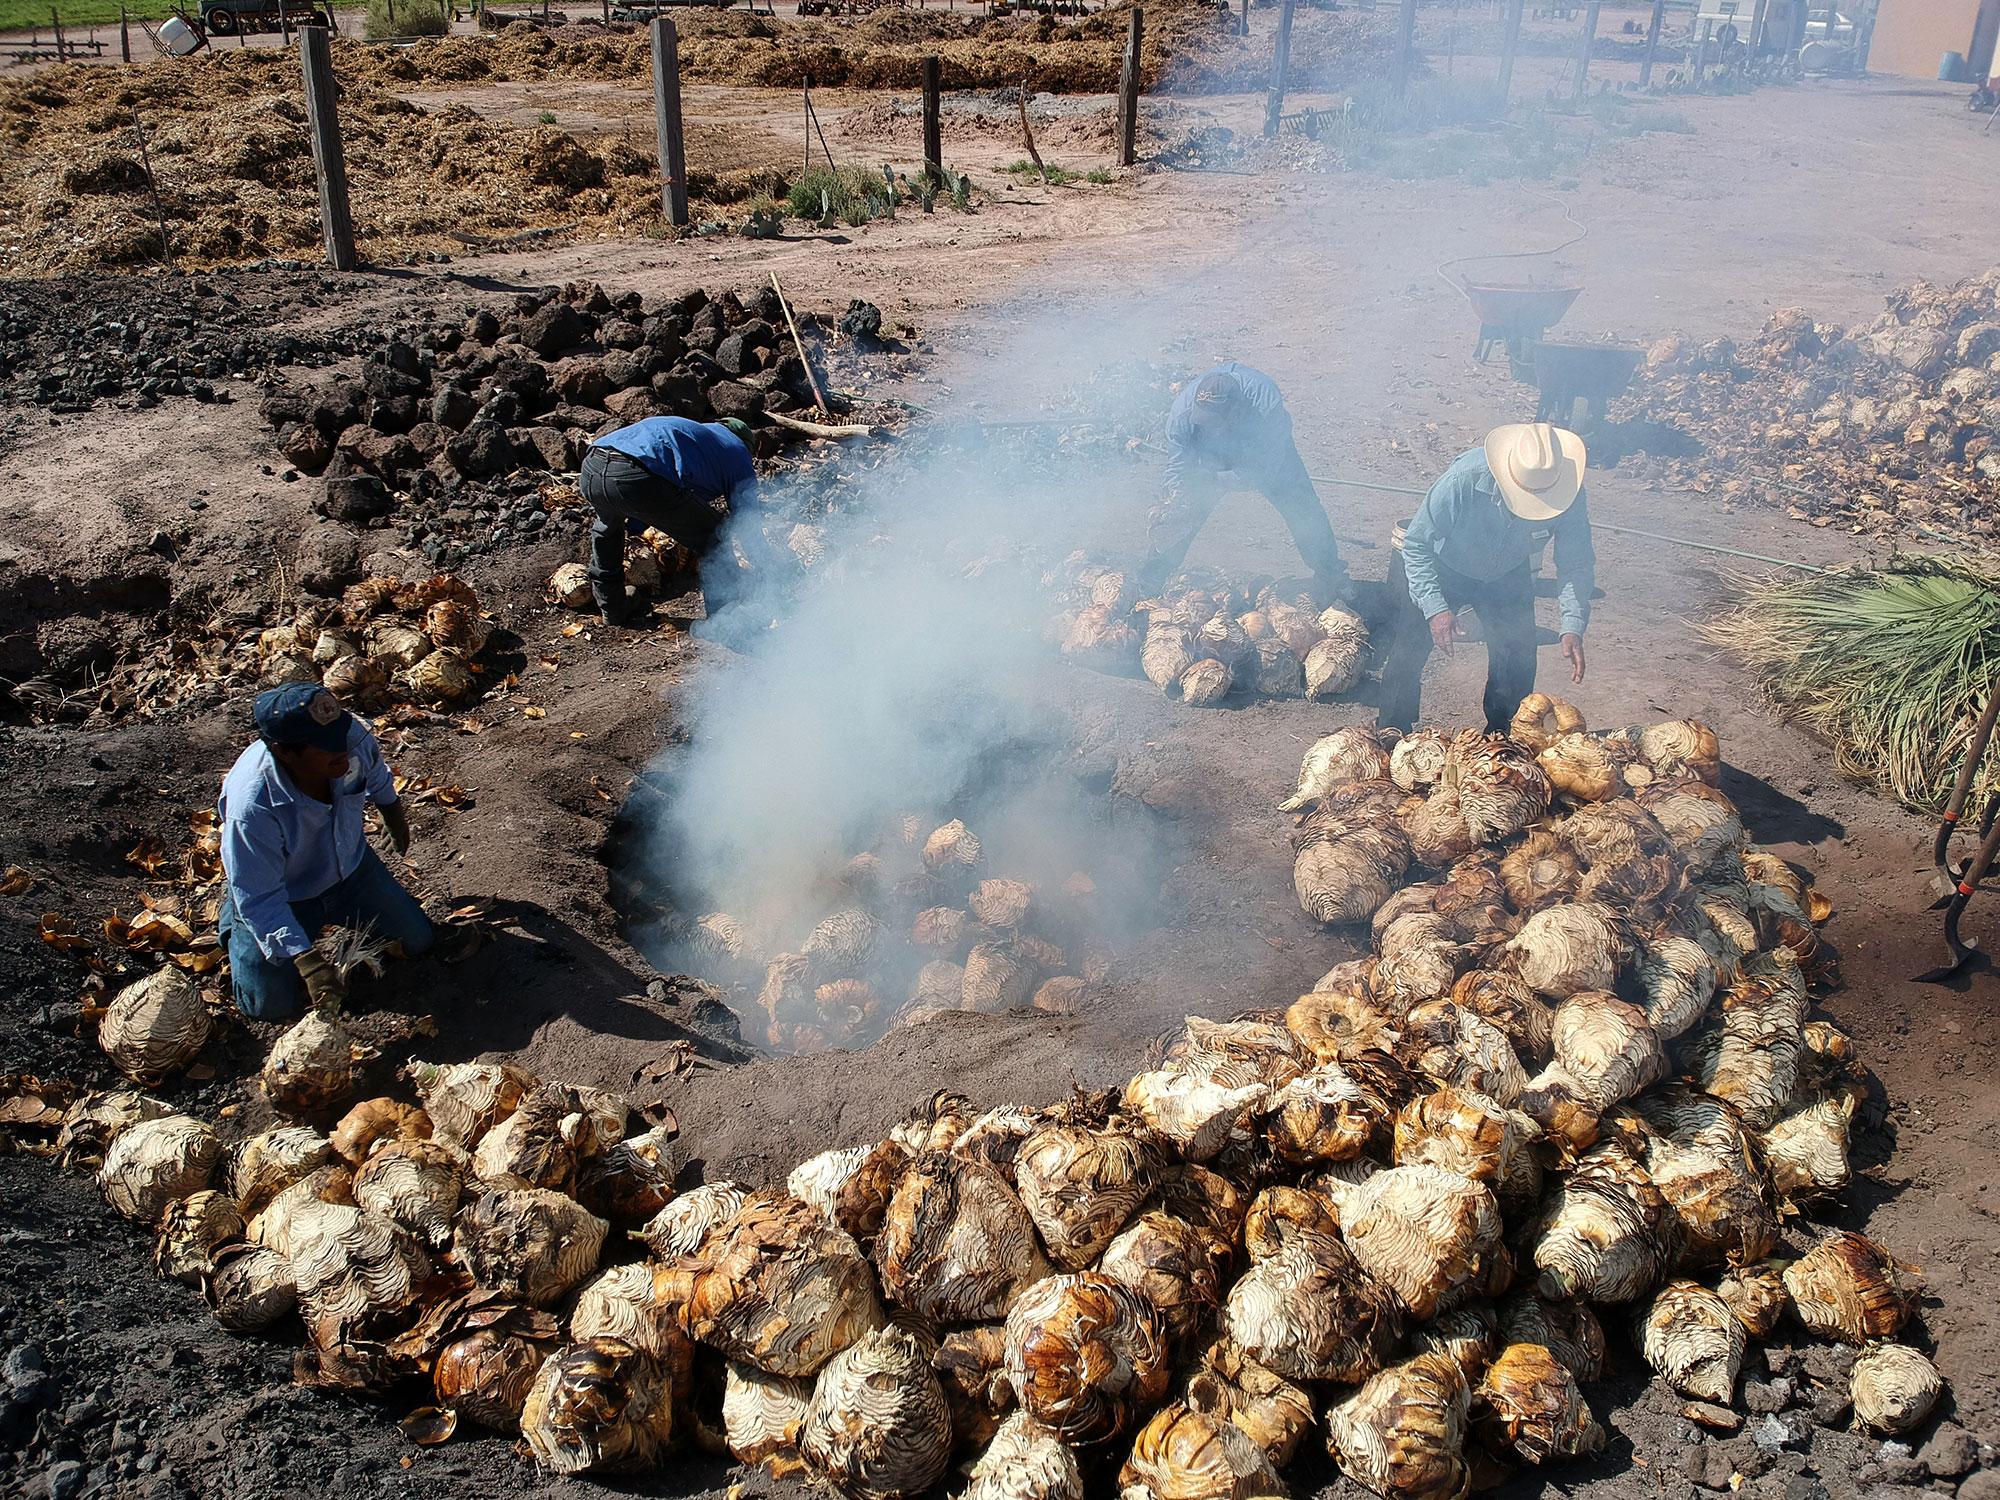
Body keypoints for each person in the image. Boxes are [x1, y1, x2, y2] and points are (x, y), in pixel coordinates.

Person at [217, 684, 432, 1020]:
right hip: (284, 894)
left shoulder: (350, 739)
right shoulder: (253, 808)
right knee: (267, 1006)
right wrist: (308, 961)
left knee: (418, 940)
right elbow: (261, 898)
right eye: (326, 746)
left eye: (340, 735)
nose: (342, 750)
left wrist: (391, 810)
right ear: (285, 752)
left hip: (351, 871)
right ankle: (236, 918)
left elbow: (374, 769)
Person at [1377, 421, 1595, 735]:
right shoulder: (1464, 478)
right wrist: (1435, 607)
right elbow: (1416, 543)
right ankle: (1392, 729)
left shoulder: (1569, 494)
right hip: (1445, 564)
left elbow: (1575, 563)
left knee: (1517, 656)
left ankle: (1503, 736)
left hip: (1508, 571)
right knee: (1408, 648)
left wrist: (1572, 624)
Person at [1141, 363, 1347, 601]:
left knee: (1300, 505)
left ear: (1236, 412)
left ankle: (1329, 573)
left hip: (1262, 451)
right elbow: (1177, 468)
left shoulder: (1267, 407)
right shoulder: (1182, 415)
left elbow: (1263, 471)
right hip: (1208, 455)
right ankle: (1152, 578)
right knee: (1184, 507)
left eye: (1212, 421)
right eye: (1202, 420)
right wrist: (1174, 500)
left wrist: (1217, 480)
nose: (1206, 425)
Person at [579, 415, 759, 627]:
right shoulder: (736, 449)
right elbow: (748, 521)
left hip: (592, 466)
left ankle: (612, 608)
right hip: (636, 474)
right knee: (715, 536)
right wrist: (765, 566)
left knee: (608, 530)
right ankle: (724, 621)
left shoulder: (694, 434)